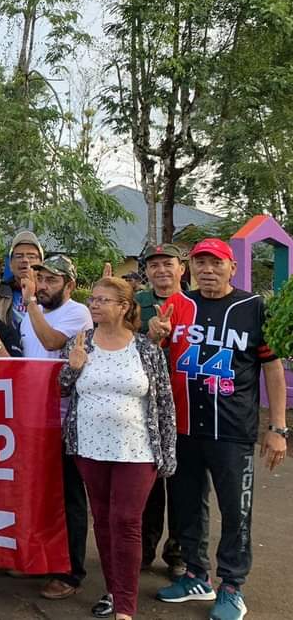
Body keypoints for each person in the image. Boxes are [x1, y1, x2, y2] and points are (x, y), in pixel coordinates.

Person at [151, 238, 287, 620]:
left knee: (235, 513)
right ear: (190, 268)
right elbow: (155, 350)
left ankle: (232, 586)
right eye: (200, 263)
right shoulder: (178, 304)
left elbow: (273, 369)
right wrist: (154, 334)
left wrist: (278, 428)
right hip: (183, 428)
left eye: (216, 263)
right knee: (187, 507)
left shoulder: (253, 308)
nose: (207, 270)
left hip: (232, 431)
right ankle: (195, 575)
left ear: (232, 267)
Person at [60, 277, 177, 620]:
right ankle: (112, 591)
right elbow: (63, 389)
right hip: (90, 448)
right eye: (93, 299)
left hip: (137, 450)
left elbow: (165, 405)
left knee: (126, 521)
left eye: (103, 300)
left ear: (124, 307)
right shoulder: (80, 343)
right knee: (104, 522)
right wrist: (73, 366)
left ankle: (125, 607)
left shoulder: (147, 349)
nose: (94, 305)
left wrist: (167, 454)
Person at [17, 254, 94, 601]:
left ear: (70, 285)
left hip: (66, 421)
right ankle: (41, 560)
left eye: (51, 280)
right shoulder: (27, 313)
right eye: (40, 278)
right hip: (33, 418)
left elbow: (50, 342)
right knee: (39, 494)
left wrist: (31, 301)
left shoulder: (78, 313)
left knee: (69, 500)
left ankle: (70, 571)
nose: (43, 285)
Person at [136, 243, 188, 577]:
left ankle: (179, 553)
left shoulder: (196, 304)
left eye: (167, 263)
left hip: (184, 407)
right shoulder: (137, 304)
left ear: (181, 268)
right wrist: (149, 336)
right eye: (153, 265)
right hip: (144, 408)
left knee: (185, 487)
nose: (161, 270)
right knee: (146, 486)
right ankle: (142, 549)